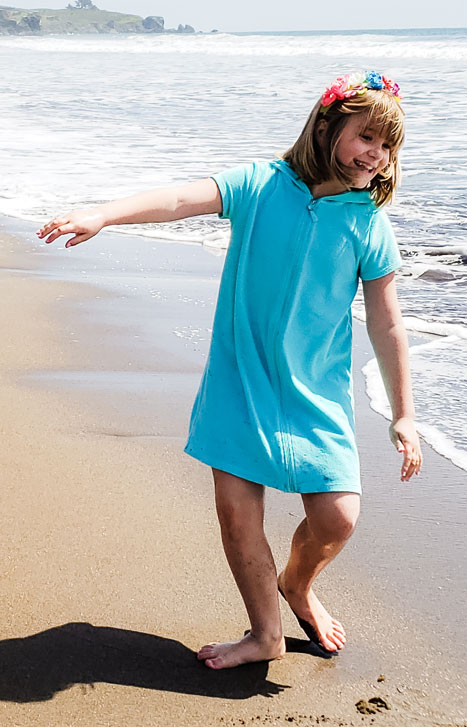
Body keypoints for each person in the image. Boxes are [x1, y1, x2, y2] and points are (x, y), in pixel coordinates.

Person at [36, 71, 420, 670]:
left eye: (387, 145)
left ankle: (296, 583)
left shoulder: (368, 223)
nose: (376, 154)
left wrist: (404, 415)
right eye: (366, 136)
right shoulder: (261, 184)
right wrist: (103, 215)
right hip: (239, 379)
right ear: (326, 128)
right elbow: (180, 199)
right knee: (238, 512)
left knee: (337, 518)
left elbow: (387, 324)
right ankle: (265, 632)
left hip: (314, 391)